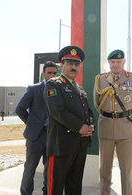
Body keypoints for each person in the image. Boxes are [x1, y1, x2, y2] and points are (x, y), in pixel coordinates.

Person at [44, 45, 94, 195]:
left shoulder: (80, 88)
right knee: (56, 187)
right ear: (62, 65)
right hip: (61, 145)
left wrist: (90, 126)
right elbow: (57, 111)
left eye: (76, 64)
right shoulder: (54, 84)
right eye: (70, 63)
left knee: (75, 185)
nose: (74, 67)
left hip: (80, 144)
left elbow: (88, 111)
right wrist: (80, 127)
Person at [93, 49, 132, 195]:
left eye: (118, 62)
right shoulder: (100, 79)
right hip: (106, 128)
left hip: (125, 128)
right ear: (108, 63)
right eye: (113, 62)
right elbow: (97, 104)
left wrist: (125, 116)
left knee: (126, 170)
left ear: (124, 62)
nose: (116, 65)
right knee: (104, 169)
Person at [15, 61, 58, 195]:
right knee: (30, 167)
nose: (52, 75)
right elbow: (19, 109)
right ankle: (26, 193)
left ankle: (47, 192)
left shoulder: (59, 90)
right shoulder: (34, 89)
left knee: (49, 169)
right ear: (43, 74)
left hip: (52, 135)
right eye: (49, 73)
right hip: (35, 136)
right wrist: (31, 123)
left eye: (55, 73)